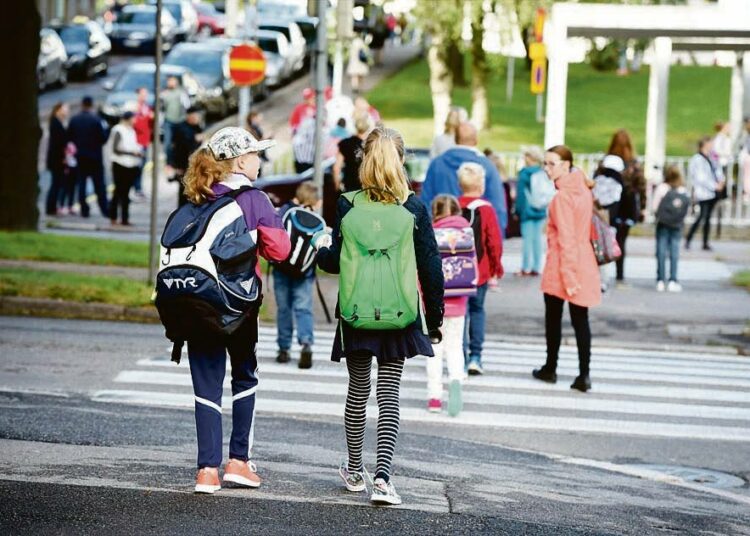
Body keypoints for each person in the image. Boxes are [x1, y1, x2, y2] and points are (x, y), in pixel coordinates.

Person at [314, 126, 444, 506]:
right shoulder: (413, 207)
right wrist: (434, 318)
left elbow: (335, 261)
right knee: (389, 394)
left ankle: (355, 470)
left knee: (358, 390)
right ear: (401, 160)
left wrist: (320, 249)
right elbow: (430, 266)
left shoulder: (347, 204)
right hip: (400, 311)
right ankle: (384, 479)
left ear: (363, 159)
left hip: (355, 312)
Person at [181, 126, 290, 494]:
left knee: (206, 384)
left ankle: (206, 471)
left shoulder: (198, 195)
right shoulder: (255, 200)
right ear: (240, 161)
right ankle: (238, 462)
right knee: (244, 377)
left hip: (197, 302)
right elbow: (281, 251)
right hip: (240, 306)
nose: (260, 160)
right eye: (256, 154)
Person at [532, 146, 601, 393]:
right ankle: (584, 374)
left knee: (554, 318)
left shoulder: (562, 197)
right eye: (545, 163)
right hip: (584, 260)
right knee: (581, 319)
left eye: (551, 164)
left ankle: (550, 368)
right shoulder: (583, 189)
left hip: (564, 263)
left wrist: (568, 275)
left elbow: (567, 238)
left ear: (566, 165)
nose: (547, 169)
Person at [457, 162, 503, 375]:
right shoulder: (486, 209)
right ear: (481, 185)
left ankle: (460, 357)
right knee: (477, 310)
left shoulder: (454, 206)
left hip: (456, 271)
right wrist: (496, 268)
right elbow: (494, 242)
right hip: (480, 270)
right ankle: (476, 357)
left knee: (460, 315)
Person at [422, 122, 508, 235]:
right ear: (476, 140)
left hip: (441, 236)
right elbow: (498, 207)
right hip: (477, 239)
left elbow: (426, 202)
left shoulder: (437, 164)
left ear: (455, 139)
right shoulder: (487, 166)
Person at [427, 194, 469, 416]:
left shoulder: (432, 233)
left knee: (434, 349)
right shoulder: (465, 232)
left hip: (435, 303)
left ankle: (434, 397)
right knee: (455, 347)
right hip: (459, 301)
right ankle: (455, 381)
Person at [274, 183, 321, 369]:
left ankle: (284, 349)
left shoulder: (285, 211)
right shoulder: (315, 218)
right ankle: (306, 344)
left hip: (281, 269)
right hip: (304, 272)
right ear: (315, 200)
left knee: (284, 309)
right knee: (303, 308)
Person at [605, 129, 646, 285]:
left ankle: (602, 271)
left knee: (604, 238)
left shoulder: (607, 162)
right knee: (621, 240)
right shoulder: (633, 164)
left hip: (610, 206)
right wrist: (642, 207)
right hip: (627, 207)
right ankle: (620, 273)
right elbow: (641, 186)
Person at [68, 95, 109, 218]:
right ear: (91, 105)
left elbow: (70, 137)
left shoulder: (74, 120)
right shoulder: (96, 120)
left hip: (80, 156)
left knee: (82, 184)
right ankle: (104, 209)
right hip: (95, 156)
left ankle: (84, 209)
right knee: (99, 185)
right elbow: (103, 138)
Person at [652, 166, 691, 293]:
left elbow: (654, 207)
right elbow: (687, 209)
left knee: (661, 251)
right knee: (674, 252)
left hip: (662, 223)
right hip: (677, 225)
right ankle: (673, 280)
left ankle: (660, 280)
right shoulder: (683, 190)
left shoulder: (662, 188)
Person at [685, 136, 725, 251]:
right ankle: (689, 239)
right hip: (704, 192)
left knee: (707, 218)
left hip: (713, 193)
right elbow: (700, 178)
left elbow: (717, 170)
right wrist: (715, 186)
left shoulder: (712, 158)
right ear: (704, 145)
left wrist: (721, 181)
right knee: (702, 217)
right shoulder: (697, 159)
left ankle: (705, 242)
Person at [514, 146, 547, 276]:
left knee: (527, 240)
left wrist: (517, 211)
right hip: (541, 209)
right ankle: (537, 266)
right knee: (537, 240)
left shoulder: (524, 174)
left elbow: (521, 196)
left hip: (527, 211)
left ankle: (526, 267)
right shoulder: (542, 172)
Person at [108, 111, 143, 226]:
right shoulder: (118, 129)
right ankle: (113, 217)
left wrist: (137, 152)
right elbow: (115, 149)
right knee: (118, 191)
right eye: (133, 118)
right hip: (120, 164)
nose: (135, 121)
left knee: (126, 193)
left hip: (130, 165)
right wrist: (131, 153)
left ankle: (124, 218)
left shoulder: (132, 131)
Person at [168, 106, 204, 206]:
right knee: (184, 192)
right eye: (195, 116)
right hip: (183, 165)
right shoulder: (182, 128)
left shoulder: (197, 127)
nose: (197, 118)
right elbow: (180, 148)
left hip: (193, 165)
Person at [333, 116, 370, 192]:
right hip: (367, 185)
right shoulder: (371, 145)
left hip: (349, 184)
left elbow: (336, 168)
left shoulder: (345, 143)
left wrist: (337, 186)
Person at [45, 102, 69, 216]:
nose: (67, 111)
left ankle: (52, 207)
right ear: (58, 110)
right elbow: (58, 144)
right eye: (65, 109)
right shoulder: (56, 123)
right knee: (56, 184)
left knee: (56, 184)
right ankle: (51, 208)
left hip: (56, 159)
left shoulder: (57, 122)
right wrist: (63, 158)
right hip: (56, 160)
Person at [161, 76, 190, 165]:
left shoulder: (181, 92)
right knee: (168, 144)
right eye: (169, 81)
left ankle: (182, 162)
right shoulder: (164, 93)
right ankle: (169, 163)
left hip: (180, 120)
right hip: (169, 121)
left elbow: (187, 105)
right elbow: (161, 108)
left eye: (172, 81)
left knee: (183, 141)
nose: (171, 83)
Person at [132, 87, 153, 199]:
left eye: (146, 94)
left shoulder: (147, 107)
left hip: (145, 140)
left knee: (142, 165)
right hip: (138, 141)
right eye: (143, 94)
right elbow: (134, 124)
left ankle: (138, 188)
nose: (144, 96)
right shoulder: (136, 108)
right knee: (137, 166)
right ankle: (137, 188)